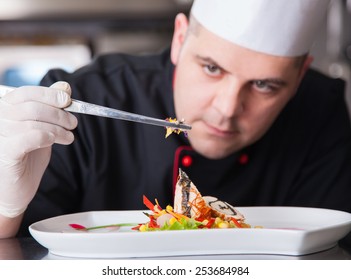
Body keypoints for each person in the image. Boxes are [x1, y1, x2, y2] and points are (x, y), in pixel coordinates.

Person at [1, 0, 351, 249]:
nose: (227, 109)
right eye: (212, 68)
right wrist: (4, 206)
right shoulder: (89, 98)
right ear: (179, 39)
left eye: (265, 85)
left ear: (300, 75)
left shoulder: (321, 112)